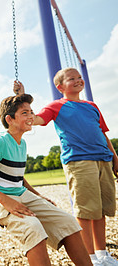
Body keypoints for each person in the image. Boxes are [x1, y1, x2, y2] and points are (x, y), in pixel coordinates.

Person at [0, 92, 92, 265]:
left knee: (67, 222)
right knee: (33, 228)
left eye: (31, 112)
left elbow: (18, 178)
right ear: (9, 119)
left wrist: (39, 196)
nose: (31, 116)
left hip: (21, 193)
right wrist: (6, 202)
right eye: (24, 113)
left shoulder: (22, 143)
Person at [15, 68, 118, 266]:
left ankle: (103, 253)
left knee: (102, 210)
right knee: (86, 211)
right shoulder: (57, 106)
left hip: (103, 159)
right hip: (80, 161)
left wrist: (114, 156)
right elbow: (35, 119)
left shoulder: (92, 106)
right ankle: (90, 257)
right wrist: (21, 97)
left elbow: (102, 133)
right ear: (60, 86)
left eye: (79, 77)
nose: (78, 80)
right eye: (72, 78)